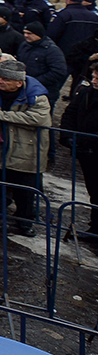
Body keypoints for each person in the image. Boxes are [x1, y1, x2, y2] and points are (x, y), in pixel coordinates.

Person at [0, 57, 52, 235]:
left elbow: (38, 119)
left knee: (25, 190)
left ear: (19, 82)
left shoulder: (37, 96)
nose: (0, 81)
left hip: (25, 149)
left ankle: (25, 221)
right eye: (0, 77)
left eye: (6, 79)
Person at [60, 59, 98, 247]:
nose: (94, 80)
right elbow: (70, 113)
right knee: (94, 191)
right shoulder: (85, 92)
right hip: (85, 152)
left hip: (93, 149)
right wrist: (68, 136)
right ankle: (95, 228)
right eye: (94, 76)